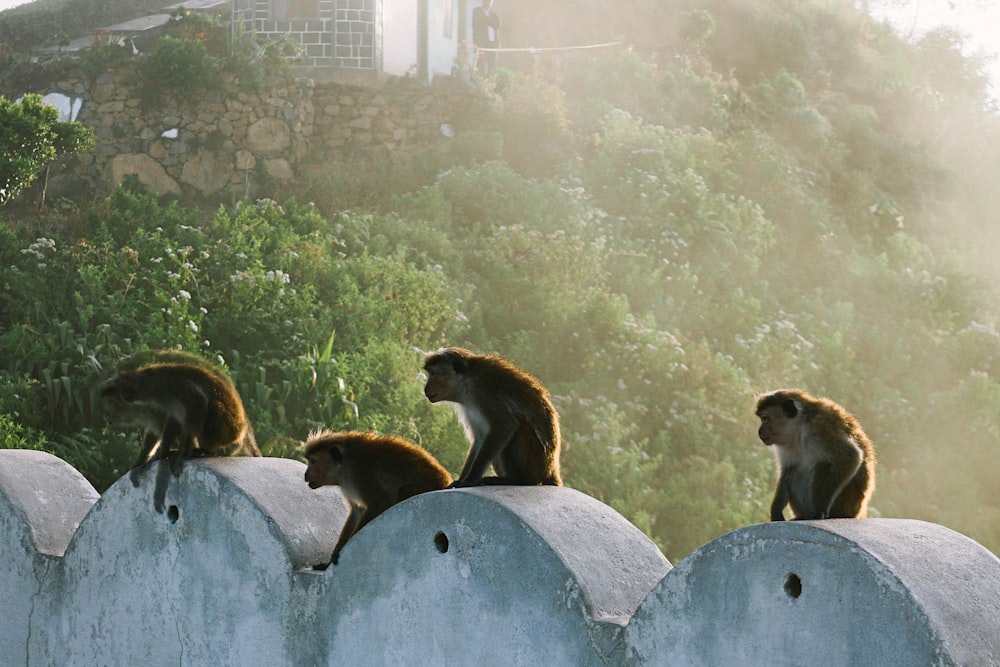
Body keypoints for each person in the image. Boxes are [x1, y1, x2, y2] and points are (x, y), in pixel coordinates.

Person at [472, 0, 501, 76]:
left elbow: (497, 25)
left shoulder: (494, 13)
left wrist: (487, 19)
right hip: (481, 43)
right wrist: (490, 21)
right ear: (482, 1)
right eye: (486, 1)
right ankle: (479, 83)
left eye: (490, 1)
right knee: (481, 63)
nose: (488, 2)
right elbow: (478, 22)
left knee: (492, 64)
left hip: (492, 43)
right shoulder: (477, 11)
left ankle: (491, 83)